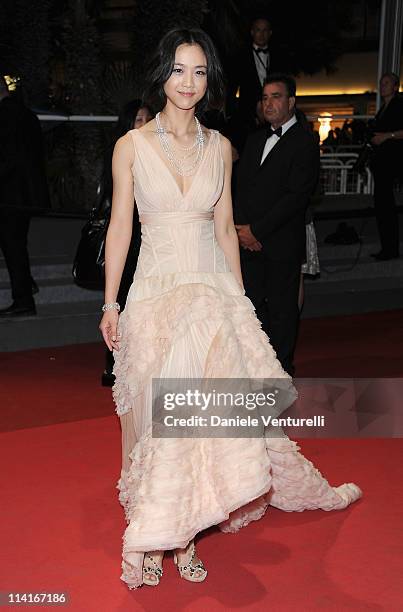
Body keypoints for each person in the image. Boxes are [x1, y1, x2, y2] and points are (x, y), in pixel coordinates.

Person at [99, 29, 361, 590]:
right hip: (152, 292)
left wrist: (238, 301)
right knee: (147, 418)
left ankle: (185, 533)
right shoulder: (132, 146)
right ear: (161, 73)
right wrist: (110, 301)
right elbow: (121, 226)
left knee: (193, 422)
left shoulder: (220, 147)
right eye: (177, 70)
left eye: (198, 72)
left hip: (210, 294)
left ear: (209, 79)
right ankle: (152, 532)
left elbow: (223, 230)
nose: (187, 83)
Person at [234, 74, 319, 376]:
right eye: (265, 97)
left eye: (276, 96)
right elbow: (239, 186)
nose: (269, 103)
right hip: (248, 241)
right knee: (253, 307)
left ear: (291, 102)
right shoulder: (255, 138)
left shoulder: (306, 141)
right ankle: (259, 363)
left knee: (283, 310)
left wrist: (257, 231)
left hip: (281, 242)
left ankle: (282, 369)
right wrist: (242, 228)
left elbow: (296, 197)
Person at [101, 100, 153, 387]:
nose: (143, 125)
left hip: (150, 240)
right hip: (126, 239)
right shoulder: (123, 150)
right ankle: (115, 362)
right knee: (119, 300)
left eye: (147, 118)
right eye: (137, 119)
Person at [0, 75, 50, 316]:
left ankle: (23, 299)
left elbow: (7, 159)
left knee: (13, 246)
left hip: (9, 195)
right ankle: (25, 285)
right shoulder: (27, 114)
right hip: (26, 194)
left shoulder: (4, 116)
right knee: (16, 244)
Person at [370, 72, 403, 261]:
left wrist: (385, 136)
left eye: (386, 83)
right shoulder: (383, 108)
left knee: (386, 207)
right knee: (383, 207)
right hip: (383, 164)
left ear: (395, 87)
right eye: (381, 83)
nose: (382, 86)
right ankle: (387, 248)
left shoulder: (399, 105)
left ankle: (390, 249)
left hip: (392, 163)